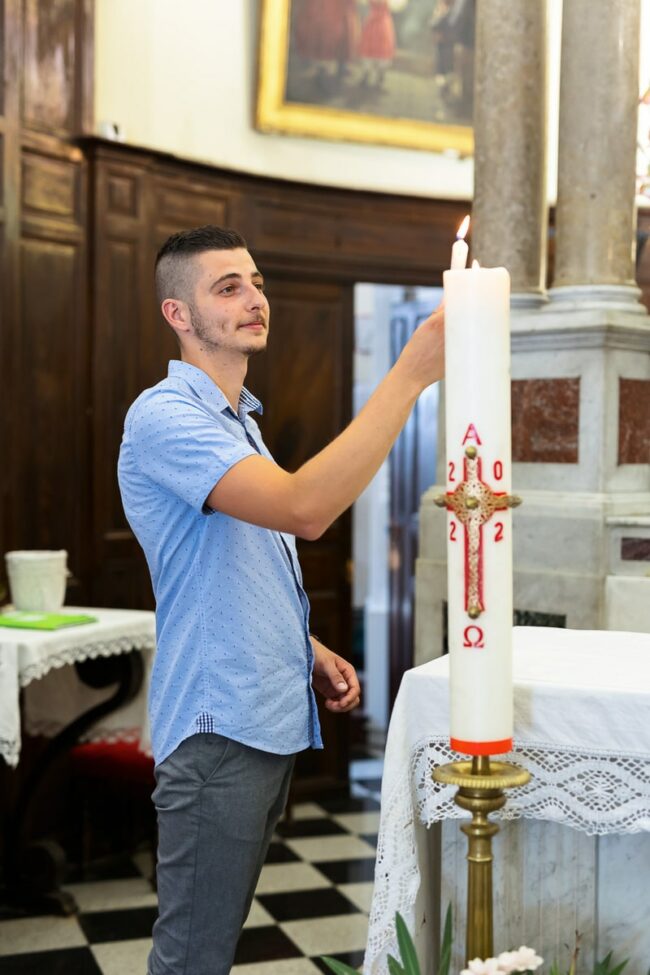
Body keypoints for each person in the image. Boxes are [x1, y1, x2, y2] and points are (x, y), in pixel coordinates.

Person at [117, 225, 445, 975]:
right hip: (216, 729)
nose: (253, 298)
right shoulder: (165, 417)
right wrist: (408, 377)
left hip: (259, 717)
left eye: (256, 282)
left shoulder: (240, 421)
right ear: (178, 314)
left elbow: (233, 567)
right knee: (192, 958)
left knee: (213, 948)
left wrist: (308, 648)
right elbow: (304, 509)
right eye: (226, 287)